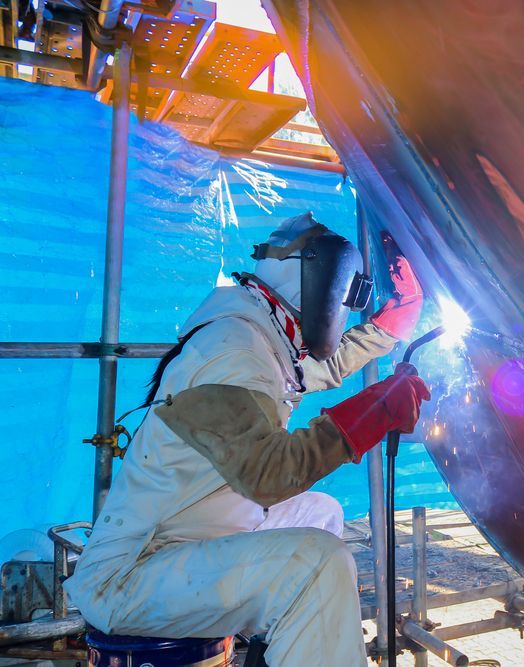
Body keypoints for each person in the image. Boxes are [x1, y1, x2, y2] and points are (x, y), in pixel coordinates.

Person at [65, 212, 429, 666]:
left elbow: (316, 370)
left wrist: (385, 330)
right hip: (133, 574)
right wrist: (370, 413)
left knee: (320, 513)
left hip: (188, 532)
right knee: (316, 563)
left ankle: (274, 650)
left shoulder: (260, 337)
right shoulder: (233, 349)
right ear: (321, 284)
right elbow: (269, 474)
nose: (344, 310)